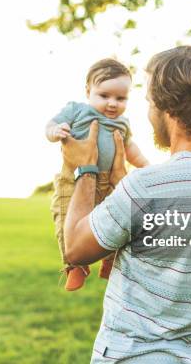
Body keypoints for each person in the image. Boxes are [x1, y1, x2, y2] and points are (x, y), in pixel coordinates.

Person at [61, 46, 191, 363]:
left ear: (168, 109)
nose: (149, 113)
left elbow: (76, 249)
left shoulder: (147, 185)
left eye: (150, 103)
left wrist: (84, 169)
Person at [46, 58, 149, 291]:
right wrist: (55, 131)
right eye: (104, 96)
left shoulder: (122, 123)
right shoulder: (77, 110)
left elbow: (130, 148)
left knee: (116, 222)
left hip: (109, 184)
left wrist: (144, 165)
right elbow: (50, 125)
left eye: (120, 98)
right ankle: (74, 265)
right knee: (65, 219)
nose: (112, 104)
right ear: (88, 91)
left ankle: (110, 261)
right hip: (73, 181)